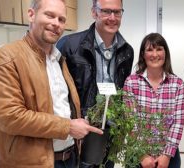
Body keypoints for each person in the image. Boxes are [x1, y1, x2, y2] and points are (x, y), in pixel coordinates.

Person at [0, 0, 103, 167]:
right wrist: (68, 127)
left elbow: (63, 106)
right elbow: (10, 117)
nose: (56, 23)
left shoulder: (59, 59)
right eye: (49, 15)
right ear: (31, 14)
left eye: (61, 19)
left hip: (70, 158)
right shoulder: (5, 57)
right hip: (34, 163)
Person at [56, 0, 134, 167]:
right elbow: (56, 91)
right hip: (78, 132)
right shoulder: (70, 45)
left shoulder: (127, 51)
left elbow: (122, 90)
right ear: (94, 12)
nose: (112, 17)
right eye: (106, 11)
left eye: (117, 12)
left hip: (110, 131)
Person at [123, 33, 184, 168]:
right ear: (143, 55)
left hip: (168, 156)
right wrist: (142, 155)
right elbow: (130, 121)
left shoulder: (177, 84)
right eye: (149, 50)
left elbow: (178, 123)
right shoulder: (131, 82)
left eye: (159, 49)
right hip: (137, 154)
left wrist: (167, 155)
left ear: (165, 53)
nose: (154, 54)